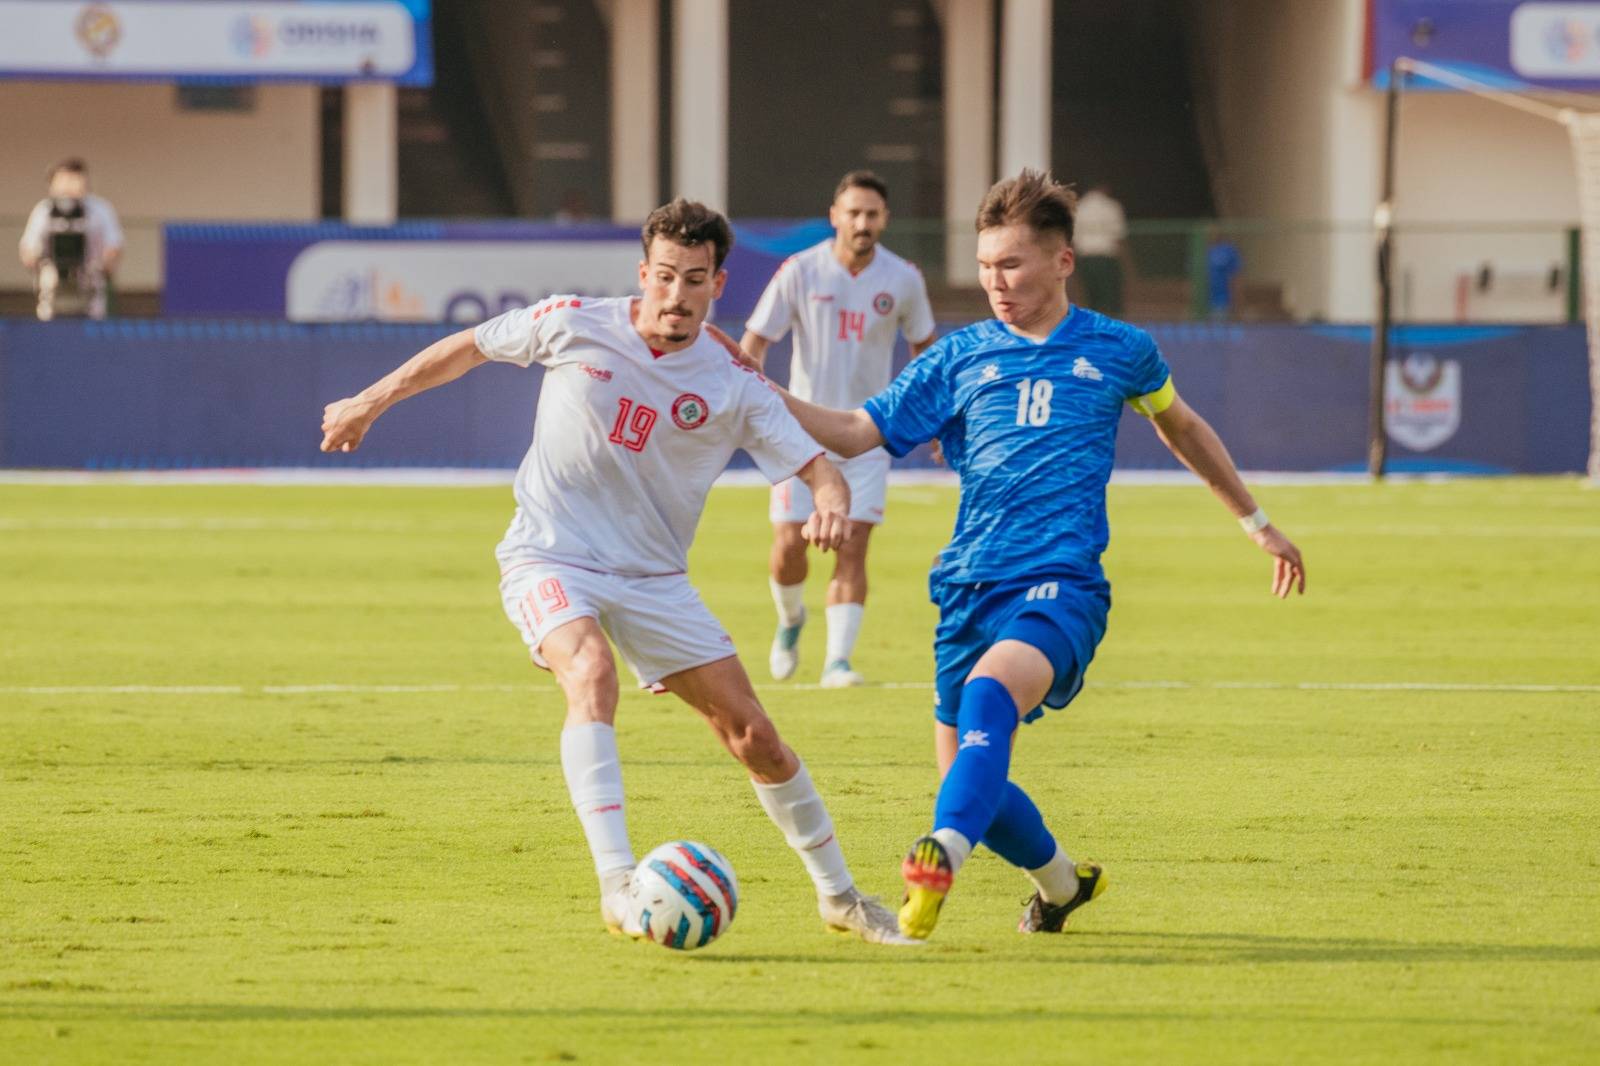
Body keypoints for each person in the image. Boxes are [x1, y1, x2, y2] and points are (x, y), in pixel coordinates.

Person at [319, 198, 912, 946]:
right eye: (664, 275)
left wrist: (829, 499)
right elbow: (470, 346)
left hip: (653, 579)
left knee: (755, 736)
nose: (676, 294)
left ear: (717, 284)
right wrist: (369, 401)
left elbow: (815, 463)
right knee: (591, 672)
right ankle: (616, 885)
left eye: (693, 279)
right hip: (550, 553)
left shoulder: (732, 383)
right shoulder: (574, 321)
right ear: (643, 273)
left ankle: (841, 898)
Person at [765, 170, 1307, 941]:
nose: (996, 282)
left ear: (1062, 261)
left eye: (1012, 264)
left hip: (1061, 584)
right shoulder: (960, 357)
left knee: (990, 700)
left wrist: (1257, 523)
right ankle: (1062, 886)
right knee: (973, 780)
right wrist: (754, 389)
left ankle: (940, 853)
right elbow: (856, 432)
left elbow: (1181, 426)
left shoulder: (1120, 349)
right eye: (986, 266)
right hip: (966, 588)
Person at [740, 170, 937, 688]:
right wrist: (745, 402)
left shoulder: (903, 278)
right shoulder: (800, 271)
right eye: (853, 213)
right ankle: (790, 619)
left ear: (885, 218)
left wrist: (936, 418)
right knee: (790, 546)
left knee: (853, 546)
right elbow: (755, 341)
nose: (862, 223)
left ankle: (837, 661)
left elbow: (925, 352)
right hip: (799, 433)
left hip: (869, 432)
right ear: (835, 216)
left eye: (872, 214)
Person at [17, 158, 124, 321]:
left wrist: (100, 268)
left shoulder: (100, 210)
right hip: (52, 292)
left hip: (90, 291)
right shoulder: (43, 211)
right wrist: (42, 267)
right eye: (63, 181)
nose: (69, 187)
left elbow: (114, 246)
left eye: (74, 180)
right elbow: (28, 248)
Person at [1072, 182, 1127, 316]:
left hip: (1085, 255)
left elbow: (1074, 238)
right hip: (1107, 255)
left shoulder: (1078, 207)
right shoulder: (1112, 206)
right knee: (1111, 296)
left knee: (1091, 295)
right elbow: (1118, 235)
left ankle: (1094, 323)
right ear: (1103, 188)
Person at [1206, 227, 1243, 322]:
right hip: (1205, 302)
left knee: (1219, 324)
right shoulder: (1207, 251)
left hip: (1222, 302)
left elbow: (1235, 278)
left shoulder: (1229, 251)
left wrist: (1236, 303)